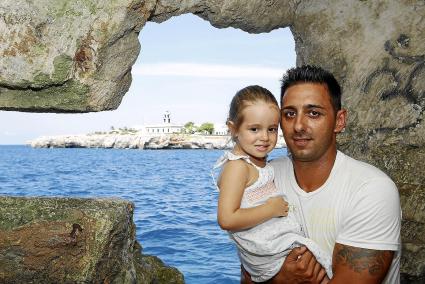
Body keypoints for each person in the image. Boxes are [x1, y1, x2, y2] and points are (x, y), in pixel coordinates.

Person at [241, 65, 401, 283]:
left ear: (339, 121)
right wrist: (280, 277)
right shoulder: (266, 177)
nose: (298, 125)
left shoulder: (372, 189)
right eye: (289, 114)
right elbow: (247, 275)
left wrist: (271, 278)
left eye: (313, 113)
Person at [213, 85, 333, 283]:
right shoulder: (238, 168)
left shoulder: (257, 164)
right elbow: (226, 219)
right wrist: (270, 209)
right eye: (254, 129)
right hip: (269, 251)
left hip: (276, 245)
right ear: (233, 128)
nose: (265, 137)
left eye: (271, 129)